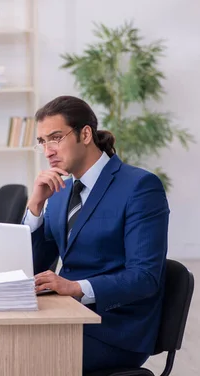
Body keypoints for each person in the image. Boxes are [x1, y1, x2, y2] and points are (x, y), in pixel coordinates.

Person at [22, 95, 170, 372]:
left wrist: (76, 288)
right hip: (66, 315)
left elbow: (145, 277)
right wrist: (35, 206)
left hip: (114, 330)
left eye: (55, 137)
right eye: (42, 142)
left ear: (85, 134)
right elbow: (31, 266)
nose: (48, 151)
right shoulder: (60, 190)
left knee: (14, 353)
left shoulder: (140, 187)